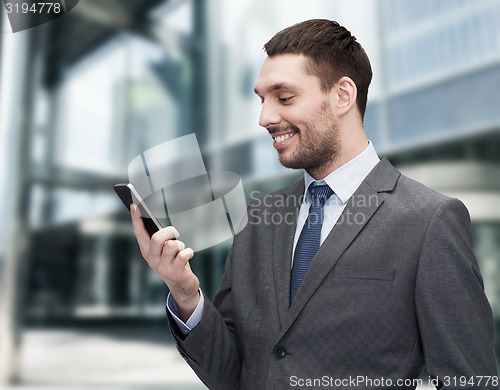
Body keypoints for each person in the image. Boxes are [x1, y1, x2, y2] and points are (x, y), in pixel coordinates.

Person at [130, 19, 498, 389]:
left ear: (342, 96)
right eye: (262, 100)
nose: (265, 118)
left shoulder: (428, 220)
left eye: (284, 97)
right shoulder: (258, 217)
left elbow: (470, 378)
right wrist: (185, 291)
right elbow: (233, 374)